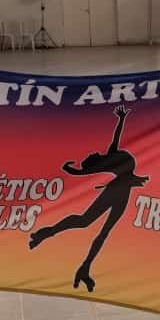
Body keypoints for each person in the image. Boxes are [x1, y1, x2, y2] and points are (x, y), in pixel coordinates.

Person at [29, 105, 149, 293]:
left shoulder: (110, 153)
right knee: (85, 221)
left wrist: (121, 118)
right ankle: (47, 233)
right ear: (94, 161)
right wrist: (71, 170)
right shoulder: (103, 162)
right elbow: (84, 171)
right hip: (116, 191)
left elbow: (116, 136)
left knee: (100, 230)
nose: (91, 153)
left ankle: (84, 267)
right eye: (90, 157)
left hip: (122, 191)